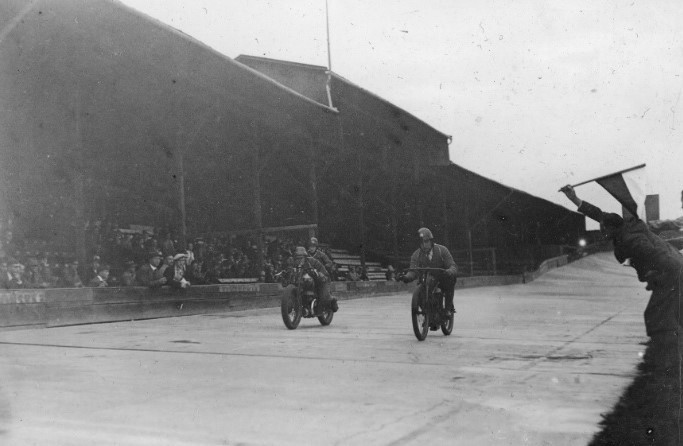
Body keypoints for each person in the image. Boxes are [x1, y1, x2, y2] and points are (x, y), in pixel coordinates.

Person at [400, 227, 458, 316]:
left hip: (442, 278)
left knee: (450, 280)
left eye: (426, 242)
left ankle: (447, 309)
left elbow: (452, 265)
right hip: (426, 281)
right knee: (418, 295)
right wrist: (406, 277)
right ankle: (427, 313)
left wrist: (450, 271)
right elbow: (413, 271)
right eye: (422, 243)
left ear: (431, 241)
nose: (424, 245)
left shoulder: (442, 250)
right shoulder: (416, 255)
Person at [290, 246, 338, 312]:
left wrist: (319, 273)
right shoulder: (293, 263)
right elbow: (288, 271)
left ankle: (332, 300)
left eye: (301, 257)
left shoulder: (312, 261)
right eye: (297, 257)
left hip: (321, 280)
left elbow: (323, 271)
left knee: (324, 299)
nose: (299, 259)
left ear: (305, 257)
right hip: (302, 283)